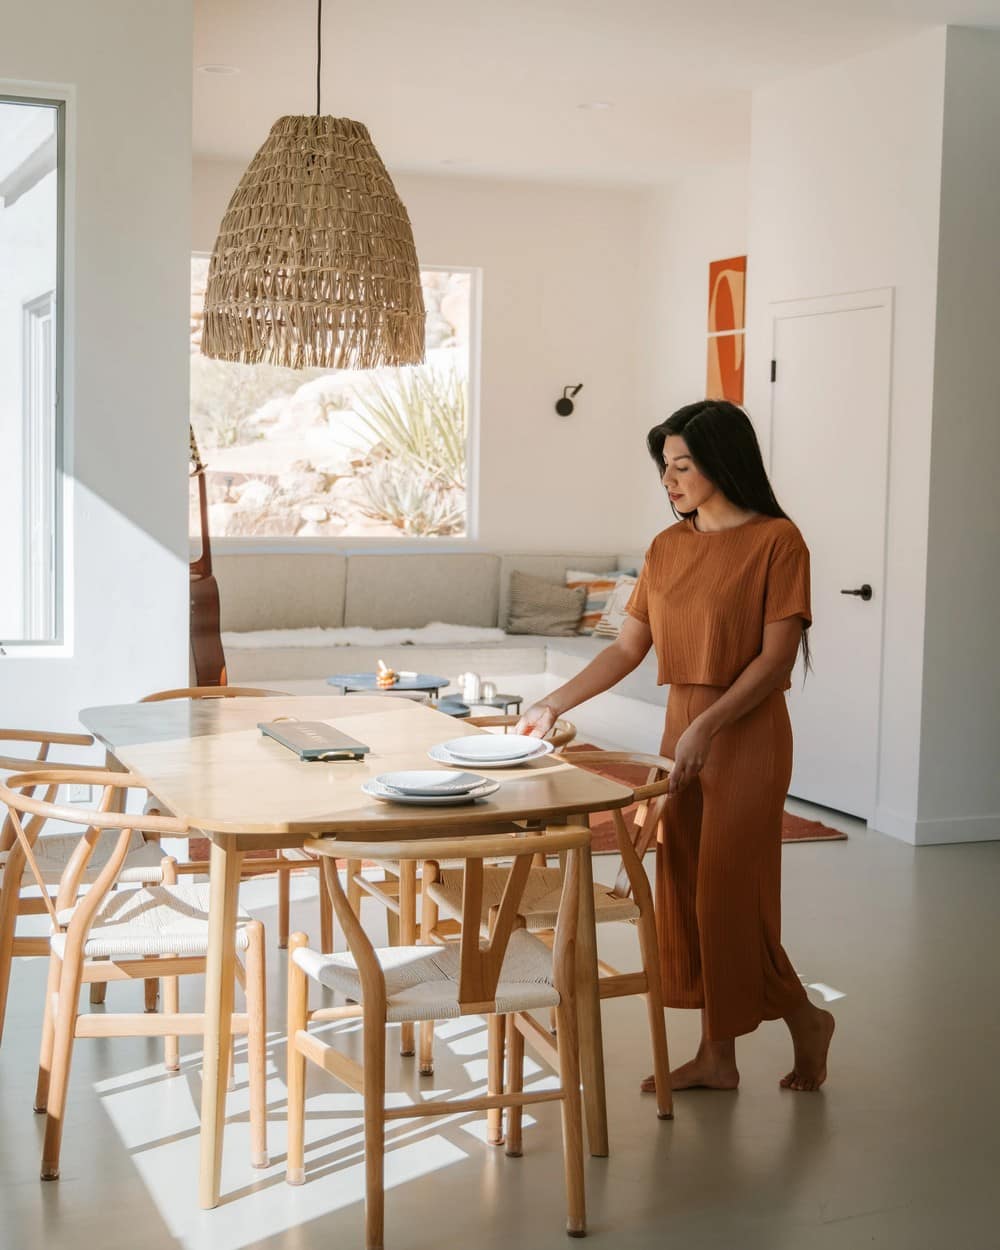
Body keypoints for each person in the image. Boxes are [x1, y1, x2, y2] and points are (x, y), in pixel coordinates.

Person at [516, 399, 834, 1093]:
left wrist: (705, 725)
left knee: (729, 893)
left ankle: (804, 1019)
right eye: (665, 468)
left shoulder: (780, 542)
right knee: (684, 887)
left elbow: (777, 661)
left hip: (743, 732)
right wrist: (551, 703)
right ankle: (718, 1058)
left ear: (723, 462)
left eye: (683, 465)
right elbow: (630, 646)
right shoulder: (667, 548)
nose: (671, 480)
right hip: (681, 732)